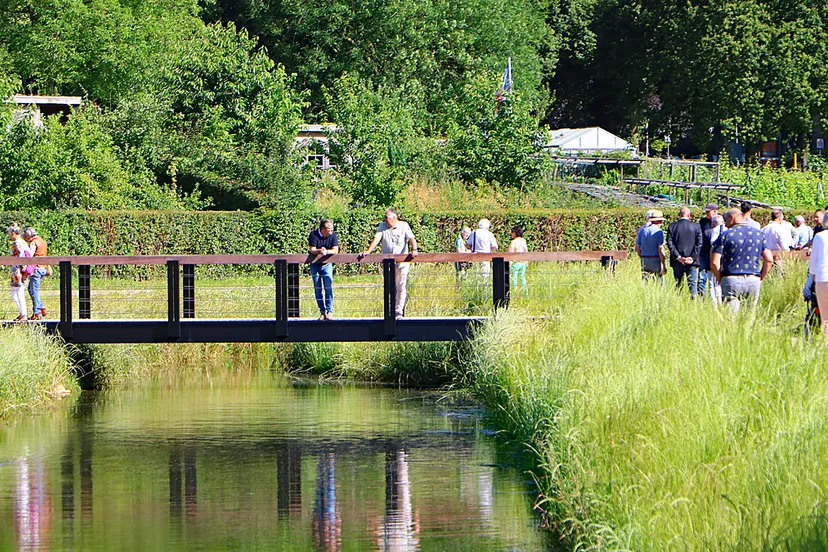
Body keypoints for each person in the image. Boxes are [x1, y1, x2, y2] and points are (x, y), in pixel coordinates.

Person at [711, 208, 774, 314]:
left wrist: (720, 279)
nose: (725, 225)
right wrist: (760, 278)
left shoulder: (725, 235)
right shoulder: (759, 234)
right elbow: (769, 260)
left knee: (730, 318)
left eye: (726, 221)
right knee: (749, 316)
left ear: (732, 218)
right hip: (753, 279)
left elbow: (714, 262)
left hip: (731, 279)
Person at [358, 209, 418, 318]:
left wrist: (414, 249)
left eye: (387, 217)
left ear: (394, 218)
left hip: (402, 263)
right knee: (389, 287)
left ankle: (398, 311)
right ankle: (390, 311)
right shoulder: (382, 226)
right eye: (385, 217)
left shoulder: (404, 225)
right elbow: (377, 239)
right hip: (388, 263)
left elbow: (411, 238)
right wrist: (368, 251)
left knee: (401, 286)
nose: (385, 219)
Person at [666, 206, 702, 297]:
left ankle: (678, 302)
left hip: (677, 260)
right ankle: (694, 304)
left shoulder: (672, 226)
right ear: (689, 215)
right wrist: (692, 257)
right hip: (692, 261)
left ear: (679, 215)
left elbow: (670, 244)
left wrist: (678, 257)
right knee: (692, 283)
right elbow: (699, 243)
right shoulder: (696, 226)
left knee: (678, 283)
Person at [308, 219, 339, 320]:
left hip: (327, 264)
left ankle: (329, 311)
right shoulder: (313, 235)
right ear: (322, 229)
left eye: (332, 229)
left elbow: (335, 250)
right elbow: (311, 249)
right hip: (314, 264)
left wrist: (327, 251)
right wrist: (319, 251)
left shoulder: (333, 236)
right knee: (317, 288)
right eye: (329, 229)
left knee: (328, 287)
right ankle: (322, 312)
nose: (331, 231)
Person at [807, 210, 828, 334]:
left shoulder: (819, 236)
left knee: (825, 318)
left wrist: (813, 280)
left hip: (823, 277)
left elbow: (813, 264)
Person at [23, 228, 48, 320]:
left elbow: (30, 255)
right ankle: (41, 307)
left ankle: (37, 312)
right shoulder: (42, 241)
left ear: (29, 236)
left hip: (36, 268)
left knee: (33, 290)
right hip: (43, 267)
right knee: (32, 289)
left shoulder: (33, 243)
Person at [636, 210, 666, 280]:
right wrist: (663, 264)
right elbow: (660, 248)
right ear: (659, 222)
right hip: (655, 259)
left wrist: (642, 256)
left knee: (646, 281)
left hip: (645, 259)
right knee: (659, 282)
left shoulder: (642, 230)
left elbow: (637, 247)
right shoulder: (659, 232)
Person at [8, 226, 30, 322]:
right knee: (17, 292)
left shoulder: (17, 243)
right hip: (21, 270)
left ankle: (23, 314)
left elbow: (19, 256)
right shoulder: (23, 242)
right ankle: (22, 313)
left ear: (13, 233)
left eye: (10, 233)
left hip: (17, 270)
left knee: (16, 292)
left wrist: (19, 270)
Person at [698, 203, 719, 295]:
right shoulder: (702, 222)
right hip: (704, 252)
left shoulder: (721, 221)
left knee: (715, 278)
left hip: (716, 253)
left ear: (714, 211)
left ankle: (716, 296)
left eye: (708, 211)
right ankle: (701, 295)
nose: (706, 213)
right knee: (701, 276)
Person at [705, 215, 725, 305]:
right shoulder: (728, 230)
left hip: (716, 259)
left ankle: (715, 303)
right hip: (726, 261)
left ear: (713, 223)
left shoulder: (714, 231)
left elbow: (713, 245)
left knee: (713, 283)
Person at [507, 226, 528, 298]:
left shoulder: (514, 242)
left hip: (515, 262)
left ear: (515, 233)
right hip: (523, 262)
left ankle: (514, 294)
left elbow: (510, 253)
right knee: (522, 278)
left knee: (514, 279)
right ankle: (525, 294)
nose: (511, 234)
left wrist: (509, 263)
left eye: (512, 232)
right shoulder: (523, 241)